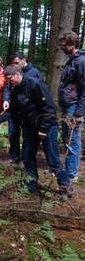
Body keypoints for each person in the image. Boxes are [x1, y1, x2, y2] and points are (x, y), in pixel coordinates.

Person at [0, 65, 72, 196]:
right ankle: (31, 185)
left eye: (10, 79)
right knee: (27, 157)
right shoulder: (15, 89)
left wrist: (44, 129)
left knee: (52, 160)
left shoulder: (35, 84)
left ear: (18, 74)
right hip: (30, 128)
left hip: (47, 127)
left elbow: (49, 109)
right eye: (7, 80)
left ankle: (65, 186)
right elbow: (12, 110)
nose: (9, 83)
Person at [2, 52, 44, 163]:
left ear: (24, 60)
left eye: (17, 63)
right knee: (12, 133)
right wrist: (6, 99)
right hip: (15, 108)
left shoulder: (35, 73)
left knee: (27, 135)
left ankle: (25, 159)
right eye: (13, 63)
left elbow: (41, 93)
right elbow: (7, 88)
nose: (15, 65)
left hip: (28, 111)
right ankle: (14, 156)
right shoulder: (12, 73)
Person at [58, 32, 85, 182]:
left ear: (71, 44)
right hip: (67, 105)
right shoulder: (72, 61)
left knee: (73, 139)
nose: (61, 47)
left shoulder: (81, 61)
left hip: (74, 107)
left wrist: (79, 113)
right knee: (67, 138)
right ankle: (69, 169)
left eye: (63, 44)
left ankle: (72, 173)